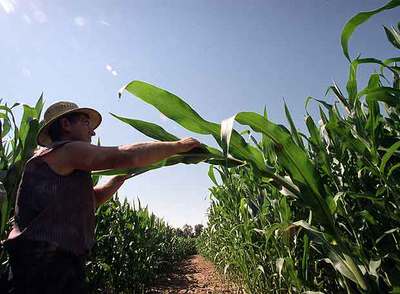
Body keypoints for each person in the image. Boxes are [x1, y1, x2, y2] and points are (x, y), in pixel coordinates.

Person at [2, 101, 200, 294]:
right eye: (86, 122)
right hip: (43, 264)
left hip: (55, 261)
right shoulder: (66, 151)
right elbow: (123, 155)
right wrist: (178, 146)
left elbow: (89, 202)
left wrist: (113, 184)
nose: (93, 131)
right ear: (65, 125)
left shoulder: (63, 161)